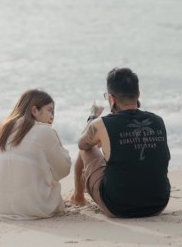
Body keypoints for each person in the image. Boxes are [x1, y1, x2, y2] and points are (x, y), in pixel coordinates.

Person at [70, 68, 170, 218]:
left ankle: (78, 196)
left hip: (117, 206)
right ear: (138, 95)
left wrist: (92, 117)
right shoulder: (158, 120)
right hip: (157, 204)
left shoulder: (102, 124)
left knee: (87, 147)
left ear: (111, 98)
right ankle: (79, 195)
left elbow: (81, 143)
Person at [0, 89, 72, 219]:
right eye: (49, 110)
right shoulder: (45, 131)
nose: (52, 116)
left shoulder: (5, 127)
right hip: (32, 207)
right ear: (34, 110)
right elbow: (64, 169)